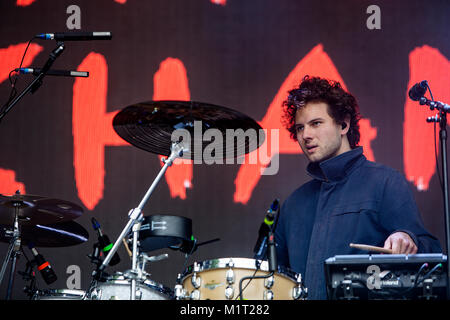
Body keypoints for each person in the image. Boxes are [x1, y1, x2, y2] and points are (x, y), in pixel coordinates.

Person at [274, 75, 442, 300]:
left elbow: (430, 256)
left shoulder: (384, 182)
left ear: (343, 124)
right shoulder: (293, 204)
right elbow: (273, 281)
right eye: (299, 128)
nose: (305, 135)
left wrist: (407, 238)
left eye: (316, 123)